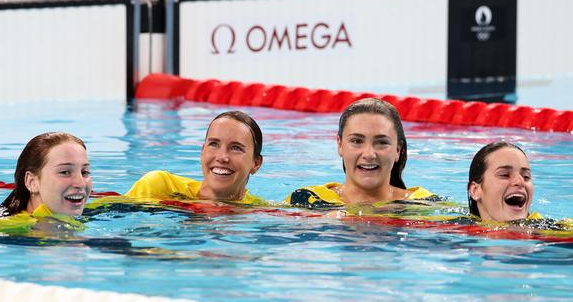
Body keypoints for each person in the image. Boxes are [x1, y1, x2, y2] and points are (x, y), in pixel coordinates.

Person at [287, 98, 433, 208]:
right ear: (340, 145)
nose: (369, 154)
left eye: (382, 142)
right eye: (356, 141)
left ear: (397, 151)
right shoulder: (307, 199)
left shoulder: (423, 204)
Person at [125, 110, 265, 204]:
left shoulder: (258, 209)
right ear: (202, 151)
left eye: (236, 148)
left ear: (256, 163)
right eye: (214, 144)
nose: (222, 157)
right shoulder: (161, 187)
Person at [468, 141, 539, 222]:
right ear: (475, 190)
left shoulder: (548, 231)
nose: (520, 182)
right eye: (504, 175)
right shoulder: (455, 229)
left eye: (526, 177)